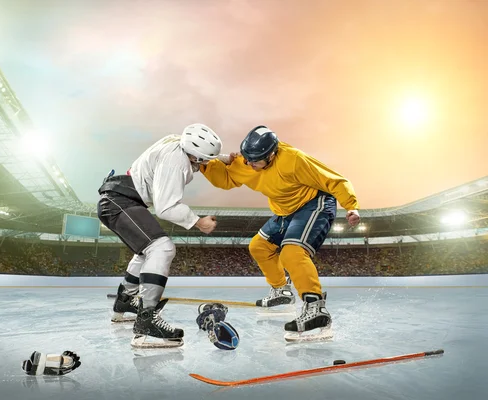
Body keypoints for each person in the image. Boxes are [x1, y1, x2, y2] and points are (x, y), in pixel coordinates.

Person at [200, 125, 360, 341]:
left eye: (255, 160)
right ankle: (281, 291)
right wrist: (203, 162)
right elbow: (225, 180)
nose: (249, 164)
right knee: (259, 246)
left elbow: (335, 180)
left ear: (272, 154)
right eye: (247, 158)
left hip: (314, 202)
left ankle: (316, 310)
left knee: (292, 253)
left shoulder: (293, 159)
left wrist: (351, 205)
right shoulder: (247, 162)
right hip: (285, 212)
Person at [97, 123, 222, 348]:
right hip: (121, 202)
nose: (204, 164)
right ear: (194, 155)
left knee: (146, 252)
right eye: (203, 160)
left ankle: (124, 303)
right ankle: (146, 322)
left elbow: (198, 152)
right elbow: (165, 207)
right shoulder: (177, 162)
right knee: (162, 247)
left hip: (118, 198)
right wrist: (197, 221)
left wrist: (224, 159)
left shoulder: (176, 140)